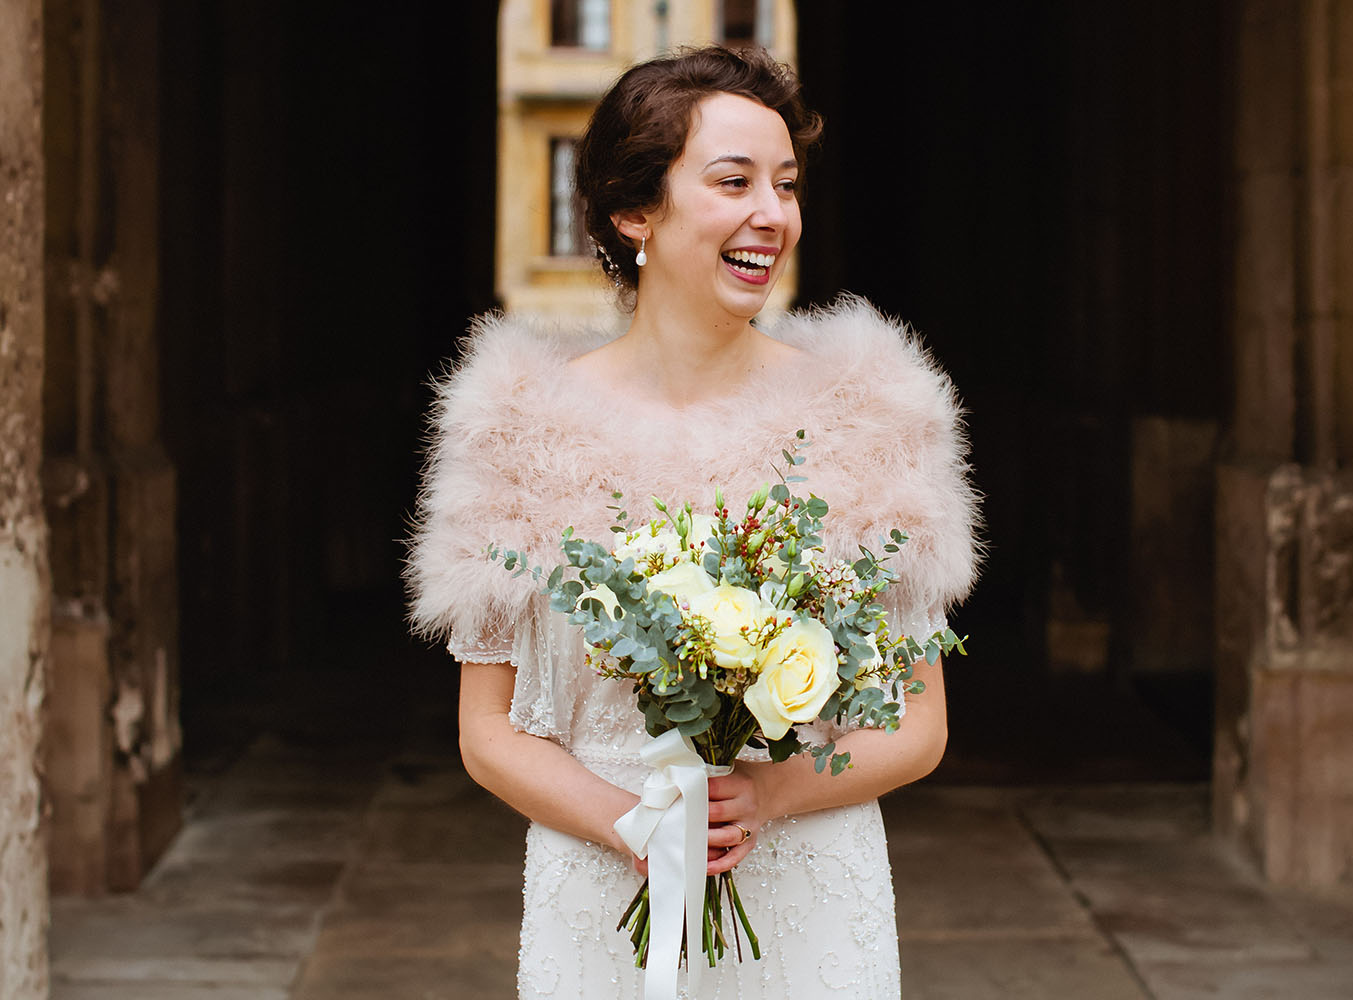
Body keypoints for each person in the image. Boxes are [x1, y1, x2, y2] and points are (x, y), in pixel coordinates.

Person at [406, 45, 980, 999]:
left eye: (787, 185)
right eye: (733, 181)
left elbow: (919, 724)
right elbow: (488, 734)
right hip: (598, 891)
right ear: (635, 210)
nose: (775, 214)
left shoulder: (871, 414)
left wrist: (767, 793)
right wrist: (627, 822)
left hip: (808, 897)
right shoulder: (517, 428)